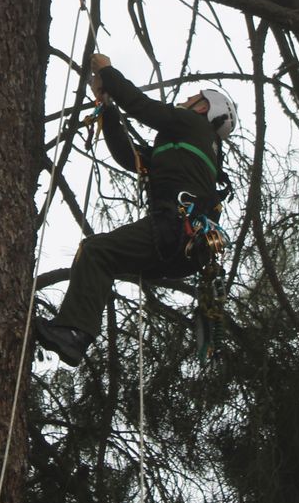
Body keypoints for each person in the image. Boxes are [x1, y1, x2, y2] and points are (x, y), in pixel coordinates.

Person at [33, 54, 235, 366]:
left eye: (193, 98)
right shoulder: (188, 148)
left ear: (204, 108)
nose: (185, 100)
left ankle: (74, 334)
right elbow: (131, 157)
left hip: (173, 229)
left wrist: (106, 70)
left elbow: (142, 106)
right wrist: (107, 108)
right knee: (104, 259)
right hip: (183, 252)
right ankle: (74, 332)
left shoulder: (191, 124)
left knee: (96, 252)